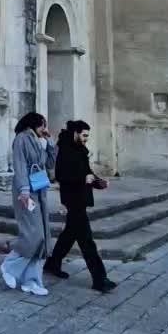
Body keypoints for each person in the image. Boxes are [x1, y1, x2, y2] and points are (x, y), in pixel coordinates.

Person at [45, 119, 116, 293]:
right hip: (72, 199)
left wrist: (99, 183)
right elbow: (61, 175)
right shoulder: (64, 149)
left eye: (87, 136)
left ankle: (53, 263)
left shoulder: (80, 149)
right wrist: (82, 179)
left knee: (69, 234)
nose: (86, 139)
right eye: (84, 135)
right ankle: (100, 279)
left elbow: (86, 172)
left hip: (81, 198)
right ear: (75, 133)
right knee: (86, 241)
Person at [0, 112, 57, 297]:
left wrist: (50, 144)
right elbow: (20, 165)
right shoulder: (22, 139)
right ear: (33, 124)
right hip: (26, 192)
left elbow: (50, 163)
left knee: (42, 238)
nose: (45, 129)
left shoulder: (39, 141)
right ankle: (9, 266)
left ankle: (32, 280)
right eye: (42, 125)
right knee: (34, 235)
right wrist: (24, 190)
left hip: (39, 190)